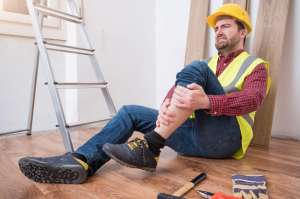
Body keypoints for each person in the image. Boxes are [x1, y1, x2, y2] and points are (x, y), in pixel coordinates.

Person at [19, 3, 270, 184]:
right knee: (130, 112)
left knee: (196, 67)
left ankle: (150, 145)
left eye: (225, 26)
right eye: (216, 28)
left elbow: (253, 99)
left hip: (226, 141)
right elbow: (176, 90)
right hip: (193, 138)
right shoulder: (209, 64)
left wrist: (207, 100)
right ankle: (81, 161)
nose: (218, 31)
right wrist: (166, 105)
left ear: (243, 32)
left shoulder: (255, 66)